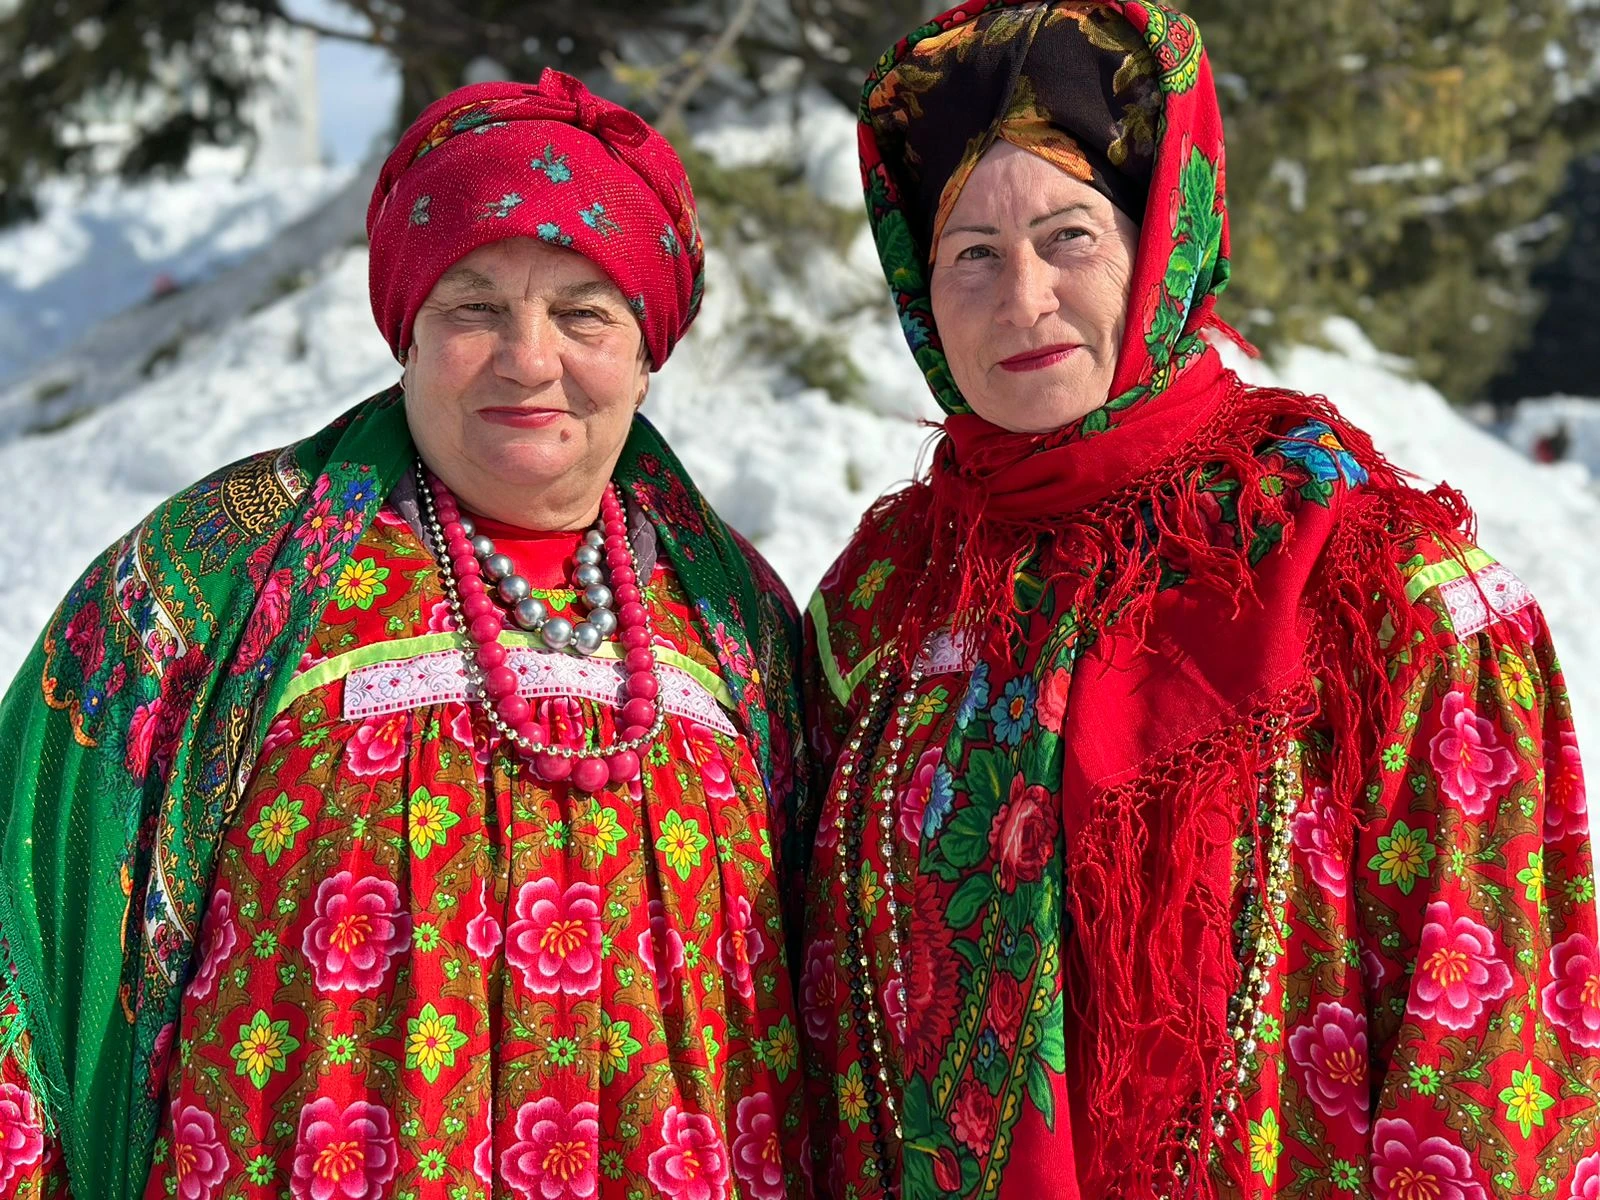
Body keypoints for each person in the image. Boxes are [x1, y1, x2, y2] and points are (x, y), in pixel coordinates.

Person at [799, 3, 1598, 1197]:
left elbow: (1484, 1053)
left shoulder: (1377, 585)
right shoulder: (882, 602)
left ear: (1162, 237)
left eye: (1068, 235)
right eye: (970, 251)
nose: (1020, 298)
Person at [0, 71, 812, 1200]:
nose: (529, 359)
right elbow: (29, 907)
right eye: (473, 308)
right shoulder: (214, 580)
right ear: (406, 333)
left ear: (646, 347)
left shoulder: (736, 620)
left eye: (582, 312)